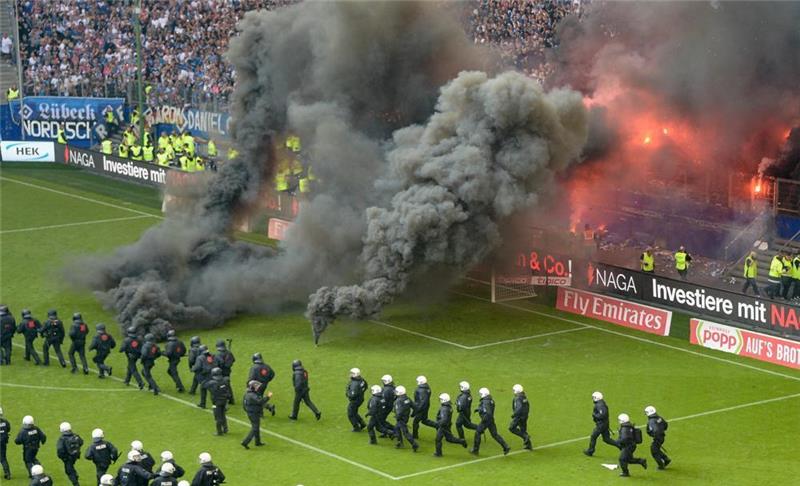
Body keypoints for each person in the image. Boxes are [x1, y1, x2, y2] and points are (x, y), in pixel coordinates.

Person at [470, 387, 510, 456]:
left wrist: (483, 420)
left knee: (478, 432)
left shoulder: (485, 402)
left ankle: (475, 450)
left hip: (486, 420)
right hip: (491, 420)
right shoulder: (490, 400)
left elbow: (487, 412)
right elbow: (488, 410)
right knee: (495, 434)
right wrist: (479, 409)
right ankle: (506, 446)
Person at [583, 391, 617, 456]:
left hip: (601, 425)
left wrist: (594, 415)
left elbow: (603, 415)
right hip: (604, 424)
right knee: (606, 439)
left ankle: (590, 451)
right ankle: (620, 445)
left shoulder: (599, 405)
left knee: (593, 436)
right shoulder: (601, 404)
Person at [433, 392, 467, 457]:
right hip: (447, 425)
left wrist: (439, 424)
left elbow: (444, 419)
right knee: (449, 439)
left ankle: (438, 453)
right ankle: (461, 441)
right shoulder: (448, 407)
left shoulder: (444, 408)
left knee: (438, 439)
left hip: (443, 426)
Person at [242, 380, 270, 449]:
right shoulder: (252, 395)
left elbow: (244, 405)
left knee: (256, 427)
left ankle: (258, 442)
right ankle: (245, 442)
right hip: (253, 414)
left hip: (252, 413)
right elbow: (260, 401)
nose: (258, 388)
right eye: (256, 386)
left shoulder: (248, 394)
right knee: (255, 428)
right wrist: (268, 397)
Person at [204, 367, 232, 435]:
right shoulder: (225, 381)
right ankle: (225, 428)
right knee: (223, 415)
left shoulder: (212, 383)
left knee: (218, 417)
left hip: (216, 402)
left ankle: (219, 432)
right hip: (224, 401)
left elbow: (204, 385)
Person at [56, 421, 83, 486]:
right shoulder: (76, 436)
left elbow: (60, 450)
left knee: (69, 471)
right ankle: (75, 476)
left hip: (67, 458)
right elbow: (81, 442)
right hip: (75, 455)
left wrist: (62, 457)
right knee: (71, 467)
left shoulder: (62, 439)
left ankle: (76, 483)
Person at [393, 386, 419, 451]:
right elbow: (415, 407)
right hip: (405, 417)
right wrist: (413, 414)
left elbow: (399, 411)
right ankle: (399, 442)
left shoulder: (398, 401)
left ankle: (414, 444)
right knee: (396, 428)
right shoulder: (407, 398)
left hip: (401, 419)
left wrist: (397, 417)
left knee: (405, 433)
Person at [509, 384, 532, 450]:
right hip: (525, 416)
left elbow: (519, 408)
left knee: (512, 428)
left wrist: (514, 414)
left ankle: (526, 437)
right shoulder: (524, 397)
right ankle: (528, 445)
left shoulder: (518, 398)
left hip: (519, 416)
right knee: (523, 430)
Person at [0, 406, 10, 480]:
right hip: (3, 443)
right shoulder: (5, 422)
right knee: (3, 458)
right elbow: (8, 429)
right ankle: (7, 473)